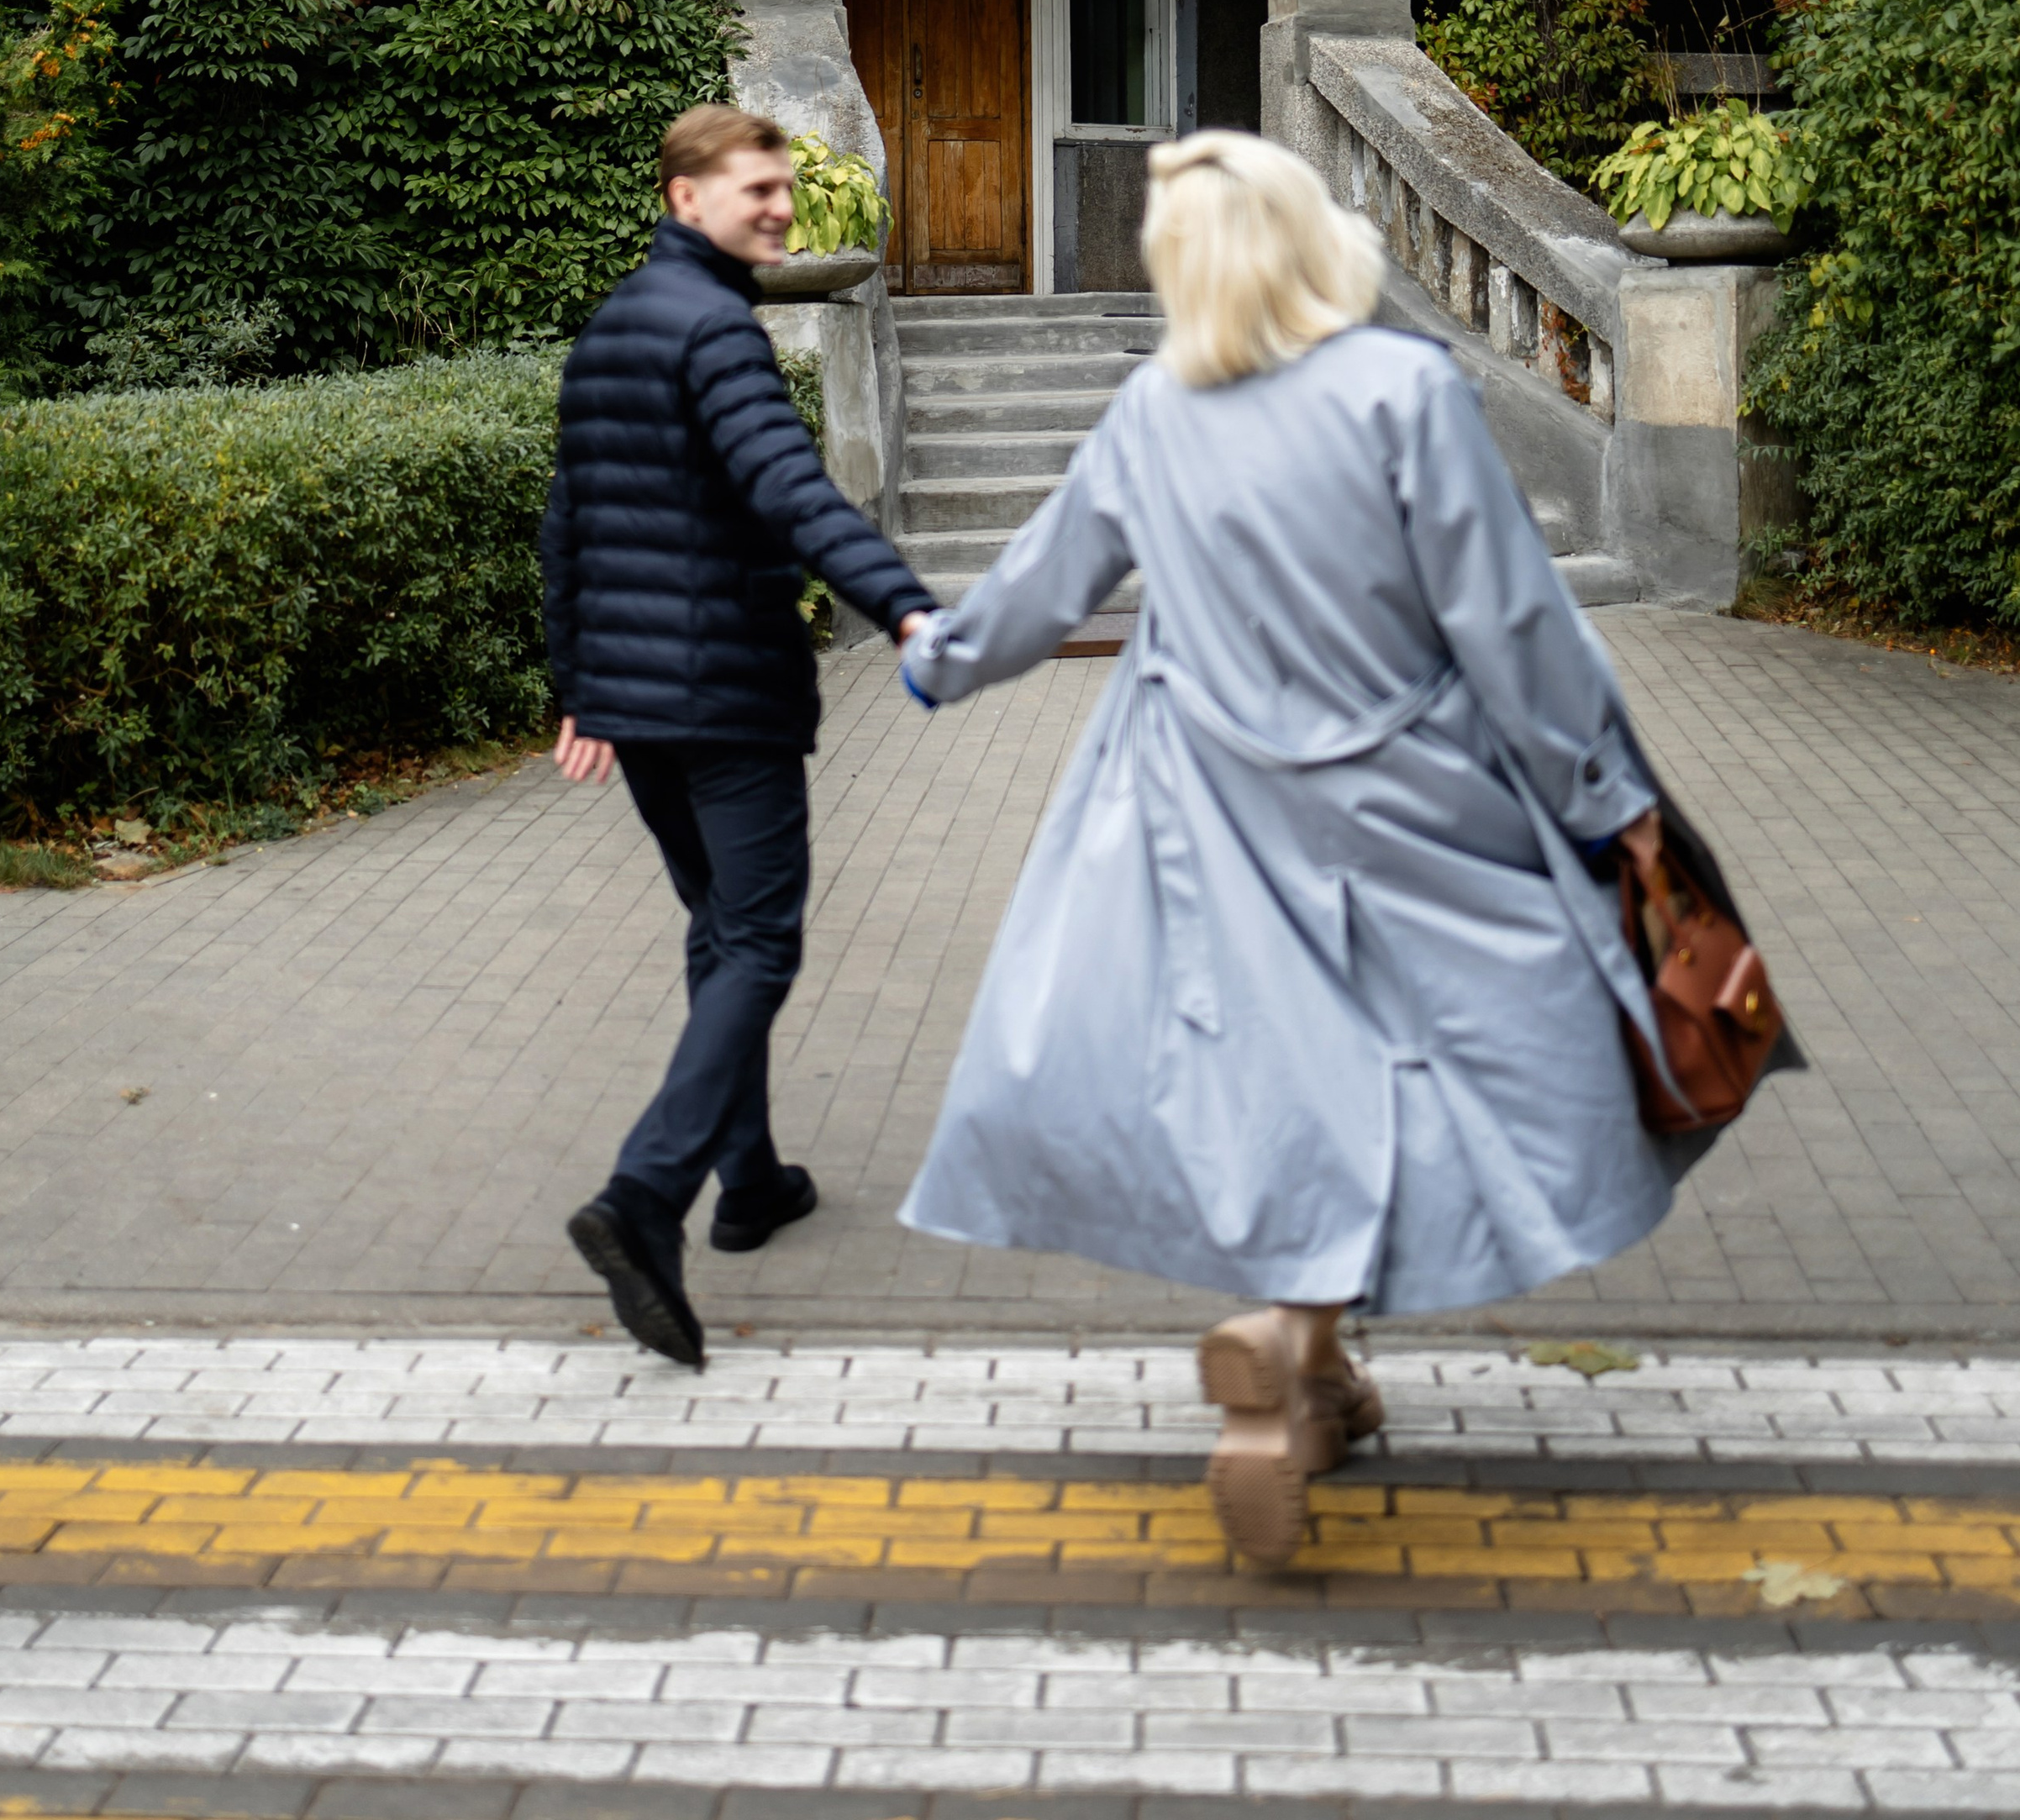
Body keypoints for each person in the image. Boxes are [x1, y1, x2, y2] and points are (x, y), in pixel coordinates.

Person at [897, 129, 1753, 1570]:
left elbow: (1041, 590)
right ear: (1309, 239)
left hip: (1202, 804)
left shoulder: (1152, 409)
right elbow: (1512, 624)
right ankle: (1296, 1347)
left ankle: (1306, 1368)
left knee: (1290, 1078)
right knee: (1442, 1060)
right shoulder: (1400, 390)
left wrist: (938, 659)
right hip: (1410, 801)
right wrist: (1604, 794)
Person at [541, 104, 936, 1371]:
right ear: (682, 198)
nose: (777, 205)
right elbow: (789, 488)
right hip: (723, 698)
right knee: (761, 940)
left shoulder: (612, 328)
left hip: (637, 705)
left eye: (781, 187)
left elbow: (569, 527)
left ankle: (751, 1179)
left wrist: (578, 683)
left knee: (719, 934)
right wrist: (906, 603)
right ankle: (647, 1195)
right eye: (753, 188)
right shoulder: (719, 332)